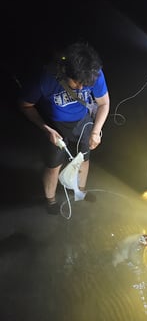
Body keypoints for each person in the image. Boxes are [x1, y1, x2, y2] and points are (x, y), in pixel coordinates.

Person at [19, 42, 110, 214]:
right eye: (77, 83)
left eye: (85, 84)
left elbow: (104, 103)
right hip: (55, 124)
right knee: (54, 165)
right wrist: (46, 129)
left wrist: (96, 131)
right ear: (64, 71)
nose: (82, 88)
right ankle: (51, 200)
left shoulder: (94, 73)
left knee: (84, 157)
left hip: (81, 121)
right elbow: (25, 105)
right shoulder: (45, 78)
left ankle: (80, 191)